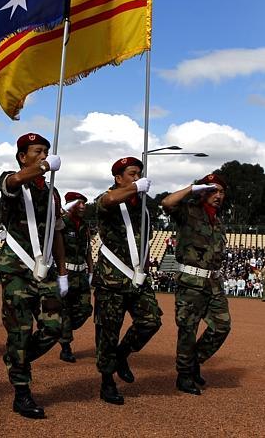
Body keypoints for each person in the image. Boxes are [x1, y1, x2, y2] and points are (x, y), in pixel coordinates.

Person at [0, 132, 67, 419]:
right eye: (37, 151)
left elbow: (58, 232)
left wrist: (63, 272)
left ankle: (17, 357)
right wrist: (43, 168)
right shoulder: (11, 180)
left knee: (54, 329)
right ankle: (22, 392)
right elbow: (12, 183)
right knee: (21, 330)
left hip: (46, 269)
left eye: (46, 151)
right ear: (22, 157)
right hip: (17, 270)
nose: (43, 155)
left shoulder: (51, 192)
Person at [94, 157, 162, 405]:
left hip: (137, 278)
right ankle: (107, 381)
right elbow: (108, 201)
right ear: (118, 178)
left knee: (151, 321)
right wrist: (135, 187)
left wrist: (137, 193)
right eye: (132, 174)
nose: (136, 177)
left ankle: (122, 355)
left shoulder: (141, 205)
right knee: (107, 332)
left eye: (139, 174)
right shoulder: (109, 198)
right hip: (111, 279)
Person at [161, 173, 232, 395]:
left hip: (213, 281)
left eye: (221, 191)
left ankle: (192, 362)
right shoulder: (188, 211)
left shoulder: (218, 222)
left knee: (222, 326)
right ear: (203, 191)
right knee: (188, 330)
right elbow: (167, 202)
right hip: (191, 282)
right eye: (213, 190)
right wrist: (193, 188)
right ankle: (184, 375)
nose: (218, 195)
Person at [57, 191, 93, 363]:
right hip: (66, 273)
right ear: (70, 204)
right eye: (79, 203)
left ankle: (62, 328)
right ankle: (65, 347)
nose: (82, 206)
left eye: (84, 203)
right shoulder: (62, 223)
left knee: (85, 309)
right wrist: (61, 274)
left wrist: (91, 271)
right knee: (65, 309)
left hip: (81, 274)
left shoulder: (85, 225)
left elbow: (88, 250)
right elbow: (57, 249)